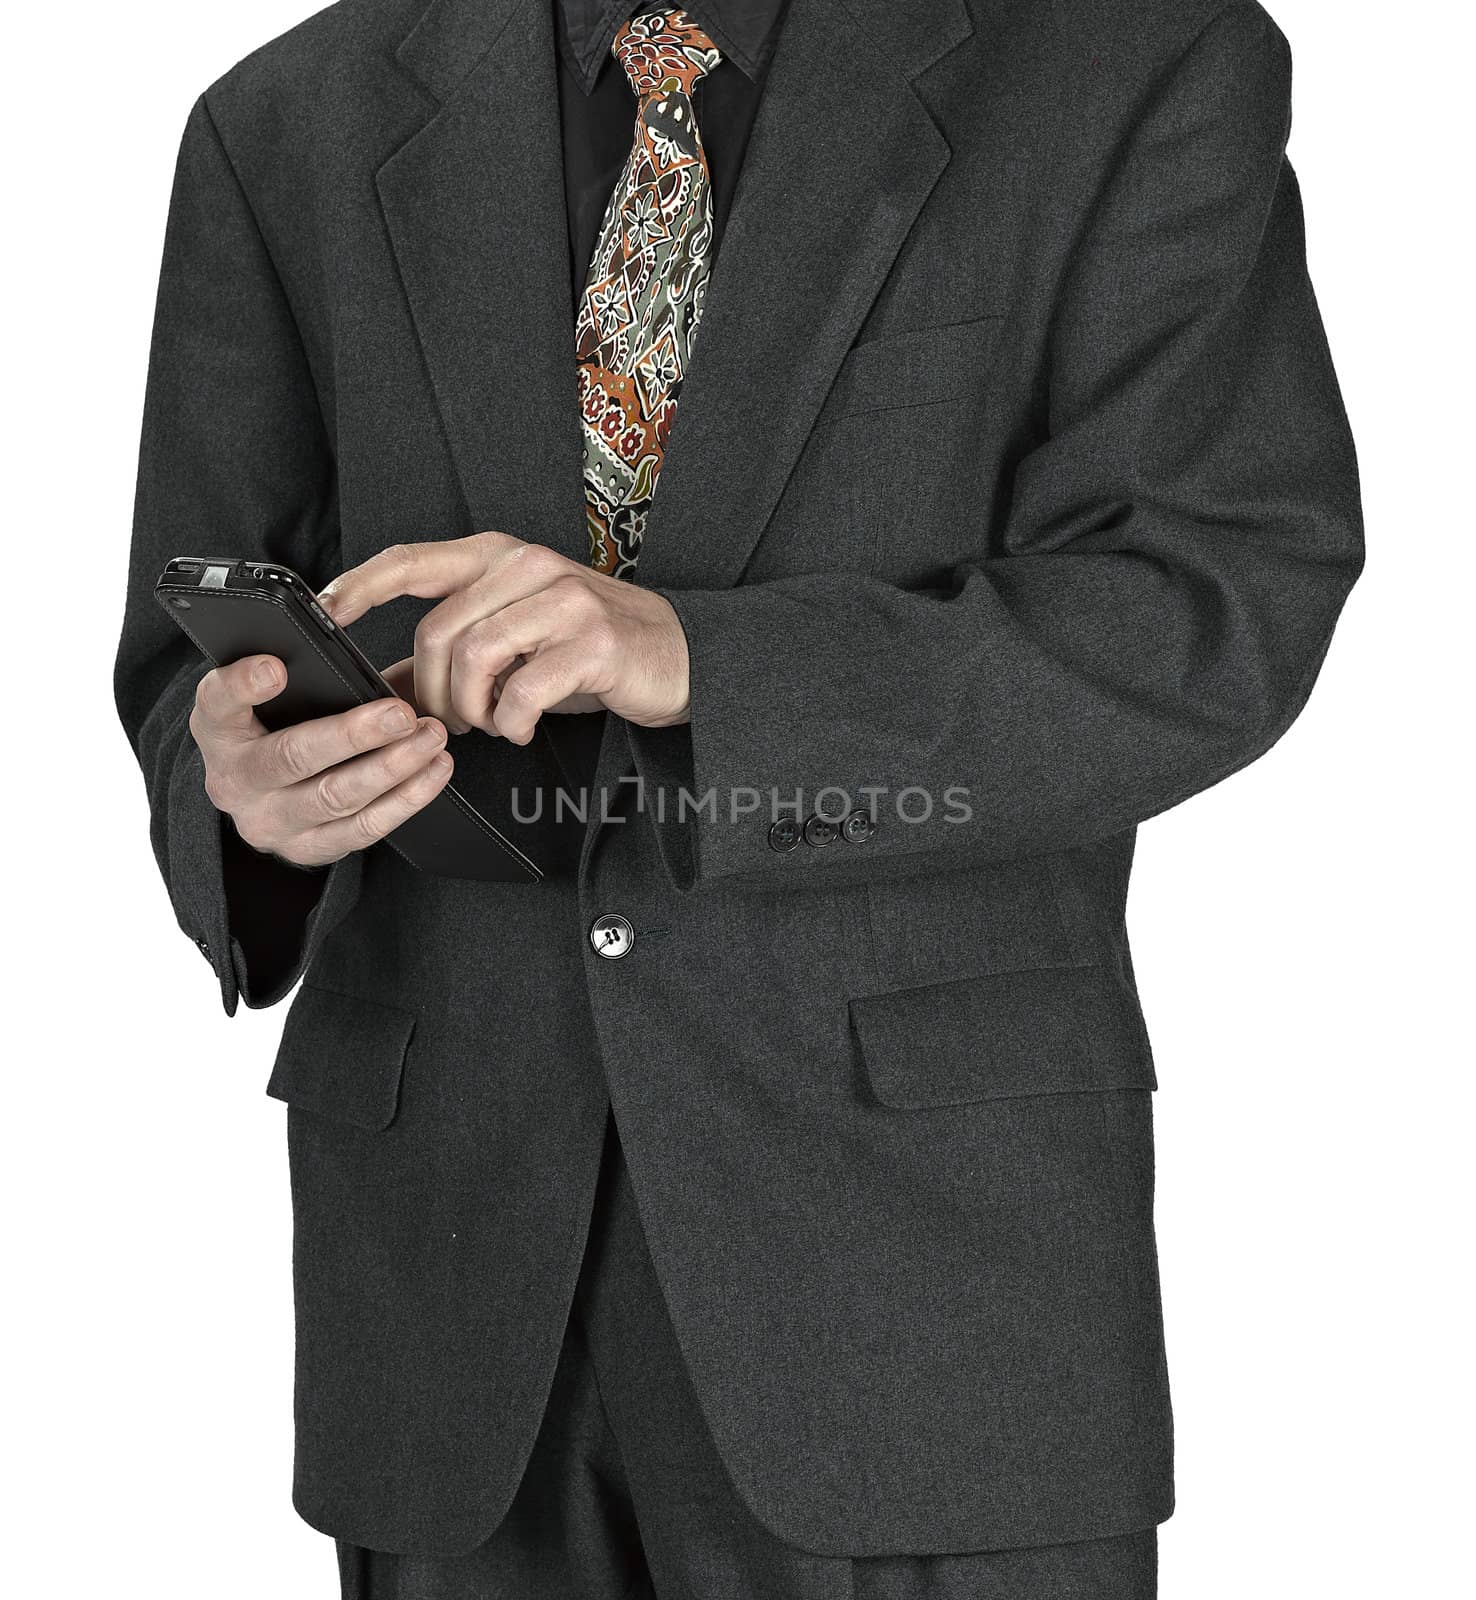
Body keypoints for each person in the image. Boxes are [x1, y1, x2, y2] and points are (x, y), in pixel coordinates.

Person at [115, 0, 1363, 1594]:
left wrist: (699, 655)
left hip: (922, 1298)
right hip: (448, 1294)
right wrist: (245, 796)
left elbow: (1211, 602)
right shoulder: (287, 118)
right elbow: (185, 669)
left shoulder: (1135, 63)